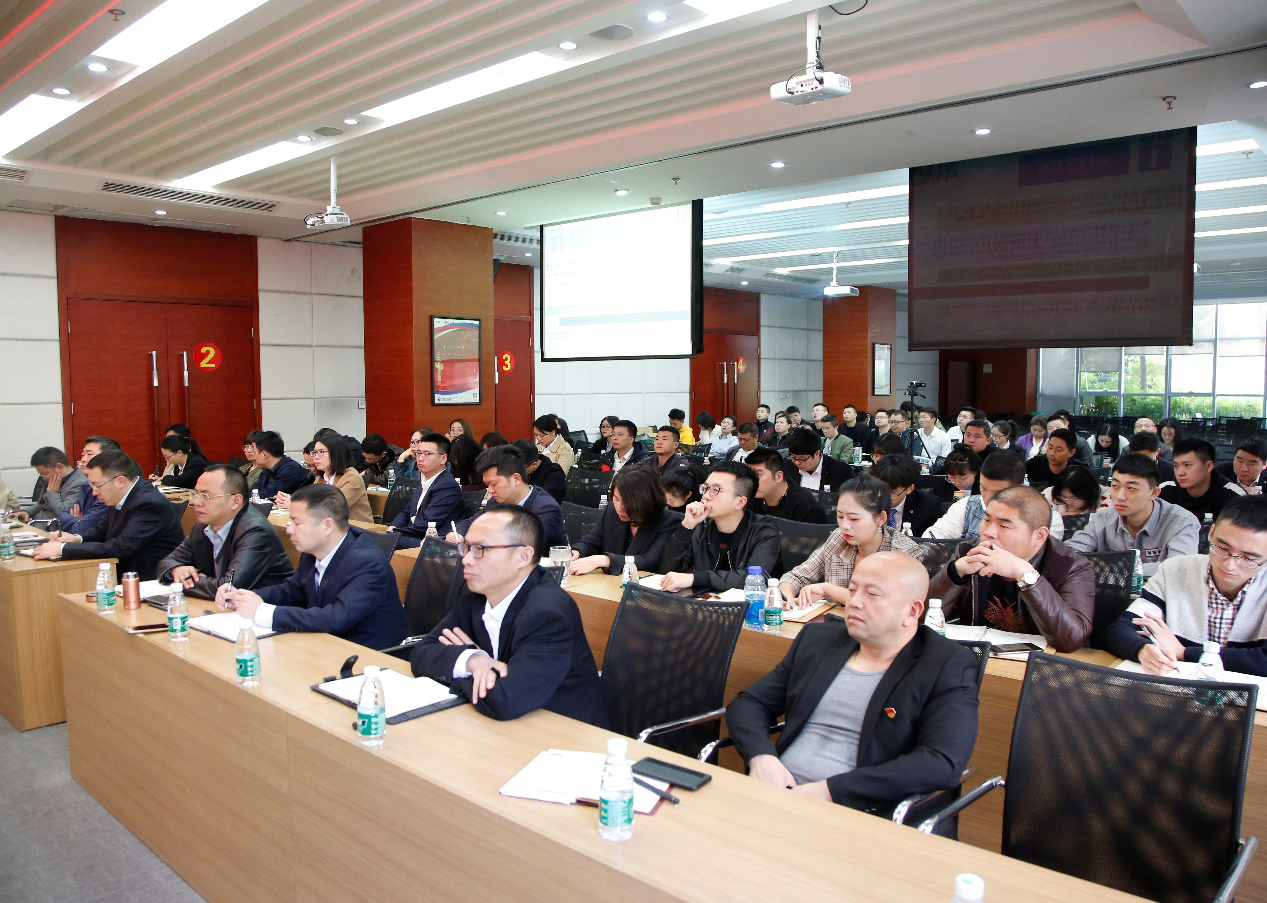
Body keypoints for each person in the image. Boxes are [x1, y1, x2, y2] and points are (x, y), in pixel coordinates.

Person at [727, 552, 978, 826]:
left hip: (862, 814)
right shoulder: (818, 641)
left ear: (912, 611)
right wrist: (761, 756)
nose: (854, 602)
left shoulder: (946, 664)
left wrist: (830, 791)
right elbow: (750, 703)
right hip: (777, 795)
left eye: (872, 594)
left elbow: (941, 762)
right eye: (853, 590)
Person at [409, 506, 604, 723]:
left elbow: (506, 700)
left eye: (480, 549)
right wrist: (473, 660)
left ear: (523, 556)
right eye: (466, 548)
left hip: (561, 729)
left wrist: (465, 669)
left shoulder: (548, 614)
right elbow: (421, 653)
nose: (466, 559)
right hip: (501, 722)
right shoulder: (474, 593)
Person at [220, 484, 405, 649]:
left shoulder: (368, 563)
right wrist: (242, 597)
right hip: (326, 646)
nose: (289, 529)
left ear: (327, 526)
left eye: (296, 522)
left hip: (368, 657)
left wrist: (264, 612)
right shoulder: (312, 552)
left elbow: (335, 618)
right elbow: (290, 592)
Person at [1102, 495, 1267, 676]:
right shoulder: (1177, 570)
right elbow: (1119, 630)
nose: (1229, 565)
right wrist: (1143, 650)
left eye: (1248, 558)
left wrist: (1184, 653)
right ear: (1211, 533)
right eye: (1222, 548)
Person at [929, 486, 1094, 652]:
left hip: (1042, 663)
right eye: (986, 520)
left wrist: (1026, 576)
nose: (989, 533)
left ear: (1039, 536)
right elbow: (922, 618)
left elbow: (1071, 640)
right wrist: (955, 573)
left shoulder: (1071, 566)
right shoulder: (969, 551)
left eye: (1004, 526)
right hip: (977, 657)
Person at [33, 450, 185, 580]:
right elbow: (103, 528)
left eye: (96, 485)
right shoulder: (122, 494)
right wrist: (77, 538)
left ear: (120, 481)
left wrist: (63, 549)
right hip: (125, 573)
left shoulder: (148, 503)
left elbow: (121, 547)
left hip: (150, 580)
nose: (94, 492)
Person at [778, 475, 924, 607]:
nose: (845, 526)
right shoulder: (838, 538)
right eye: (840, 516)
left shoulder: (904, 553)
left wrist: (827, 589)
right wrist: (786, 594)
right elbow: (797, 576)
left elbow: (888, 603)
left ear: (881, 519)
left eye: (854, 519)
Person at [156, 464, 293, 598]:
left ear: (235, 501)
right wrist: (176, 570)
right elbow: (167, 562)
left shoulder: (255, 531)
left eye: (206, 496)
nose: (196, 502)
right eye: (196, 494)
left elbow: (229, 587)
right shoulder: (203, 524)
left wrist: (184, 581)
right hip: (221, 607)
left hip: (264, 608)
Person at [1064, 454, 1199, 576]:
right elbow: (1067, 554)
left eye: (1131, 488)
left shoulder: (1181, 522)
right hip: (1111, 593)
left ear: (1154, 493)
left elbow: (1180, 568)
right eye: (1115, 486)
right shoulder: (1104, 519)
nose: (1120, 496)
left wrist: (1114, 567)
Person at [658, 462, 781, 592]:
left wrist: (696, 578)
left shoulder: (764, 531)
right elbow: (666, 571)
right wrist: (686, 526)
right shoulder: (701, 525)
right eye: (705, 488)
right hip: (703, 600)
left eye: (715, 490)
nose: (705, 496)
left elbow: (754, 578)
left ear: (740, 502)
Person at [924, 450, 1064, 540]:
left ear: (1020, 487)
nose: (987, 497)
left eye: (998, 493)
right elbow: (934, 536)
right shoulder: (966, 506)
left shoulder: (1047, 519)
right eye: (983, 488)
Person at [450, 445, 567, 549]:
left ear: (516, 479)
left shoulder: (545, 508)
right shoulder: (497, 501)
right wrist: (458, 534)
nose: (490, 490)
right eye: (487, 485)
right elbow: (471, 523)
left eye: (494, 484)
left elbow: (522, 546)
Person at [571, 468, 683, 575]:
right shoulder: (611, 511)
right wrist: (576, 551)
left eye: (626, 503)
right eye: (616, 499)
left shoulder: (667, 522)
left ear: (645, 501)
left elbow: (651, 561)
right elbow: (590, 543)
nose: (619, 507)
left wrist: (606, 560)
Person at [387, 432, 466, 548]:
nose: (420, 458)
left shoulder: (447, 486)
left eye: (427, 454)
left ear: (443, 459)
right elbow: (407, 512)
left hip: (433, 543)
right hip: (416, 536)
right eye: (418, 453)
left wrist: (396, 533)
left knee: (381, 541)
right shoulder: (425, 482)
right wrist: (393, 527)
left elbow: (426, 524)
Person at [1160, 438, 1241, 522]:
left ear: (1208, 466)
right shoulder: (1165, 491)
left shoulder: (1233, 497)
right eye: (1176, 466)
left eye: (1187, 465)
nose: (1180, 472)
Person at [746, 447, 829, 524]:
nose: (750, 480)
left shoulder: (806, 507)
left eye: (758, 475)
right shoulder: (750, 498)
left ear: (778, 477)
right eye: (748, 474)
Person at [56, 436, 116, 534]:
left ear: (107, 458)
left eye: (89, 454)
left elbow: (80, 530)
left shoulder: (109, 489)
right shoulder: (86, 485)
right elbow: (61, 516)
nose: (83, 459)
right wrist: (79, 520)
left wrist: (81, 521)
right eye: (83, 454)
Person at [870, 454, 941, 536]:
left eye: (893, 492)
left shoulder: (929, 505)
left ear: (910, 488)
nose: (885, 496)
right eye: (881, 490)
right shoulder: (866, 500)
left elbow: (935, 540)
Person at [309, 436, 373, 523]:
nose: (316, 457)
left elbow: (333, 508)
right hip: (331, 526)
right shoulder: (321, 478)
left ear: (336, 454)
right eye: (314, 452)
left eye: (321, 452)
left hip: (357, 529)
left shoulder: (352, 477)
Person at [24, 446, 87, 522]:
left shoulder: (80, 483)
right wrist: (26, 512)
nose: (43, 477)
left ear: (59, 467)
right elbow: (42, 503)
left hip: (54, 526)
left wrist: (52, 492)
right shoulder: (54, 479)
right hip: (39, 522)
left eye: (45, 474)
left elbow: (63, 513)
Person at [788, 426, 854, 494]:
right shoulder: (787, 467)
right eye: (793, 457)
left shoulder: (841, 471)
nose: (797, 462)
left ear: (817, 453)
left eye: (802, 459)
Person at [253, 431, 311, 500]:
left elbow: (269, 494)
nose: (254, 457)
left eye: (255, 452)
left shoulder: (291, 470)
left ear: (264, 454)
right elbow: (253, 491)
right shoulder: (266, 469)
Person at [513, 438, 566, 504]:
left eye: (519, 468)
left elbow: (543, 502)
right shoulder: (526, 467)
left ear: (534, 464)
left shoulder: (554, 475)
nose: (515, 471)